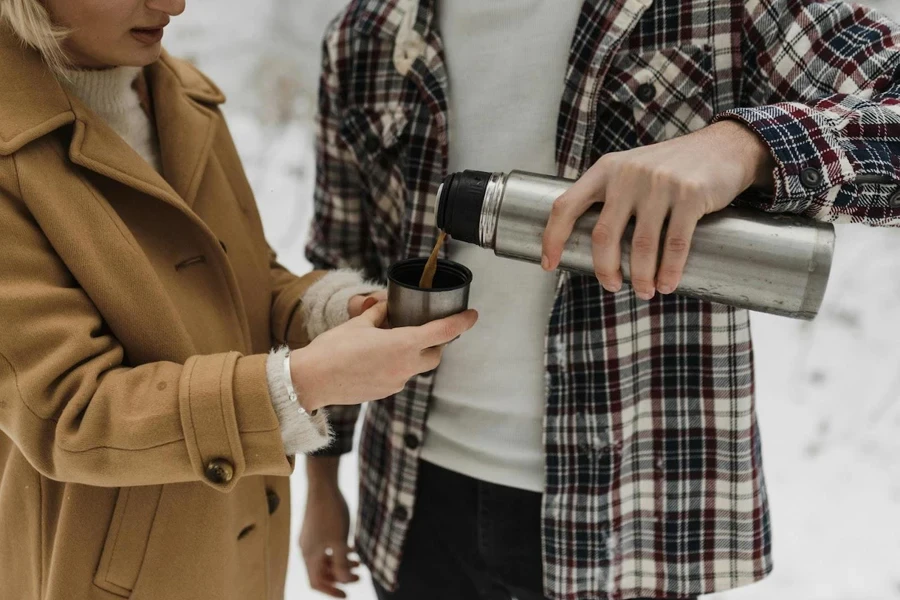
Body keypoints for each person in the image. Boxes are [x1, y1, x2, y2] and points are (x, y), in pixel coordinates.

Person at [301, 0, 900, 599]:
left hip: (630, 506)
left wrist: (742, 146)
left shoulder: (724, 9)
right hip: (410, 501)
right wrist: (322, 481)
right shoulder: (367, 32)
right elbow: (340, 271)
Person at [0, 1, 478, 599]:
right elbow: (73, 413)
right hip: (108, 573)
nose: (173, 4)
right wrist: (300, 382)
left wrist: (332, 312)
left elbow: (242, 284)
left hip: (238, 546)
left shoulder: (181, 98)